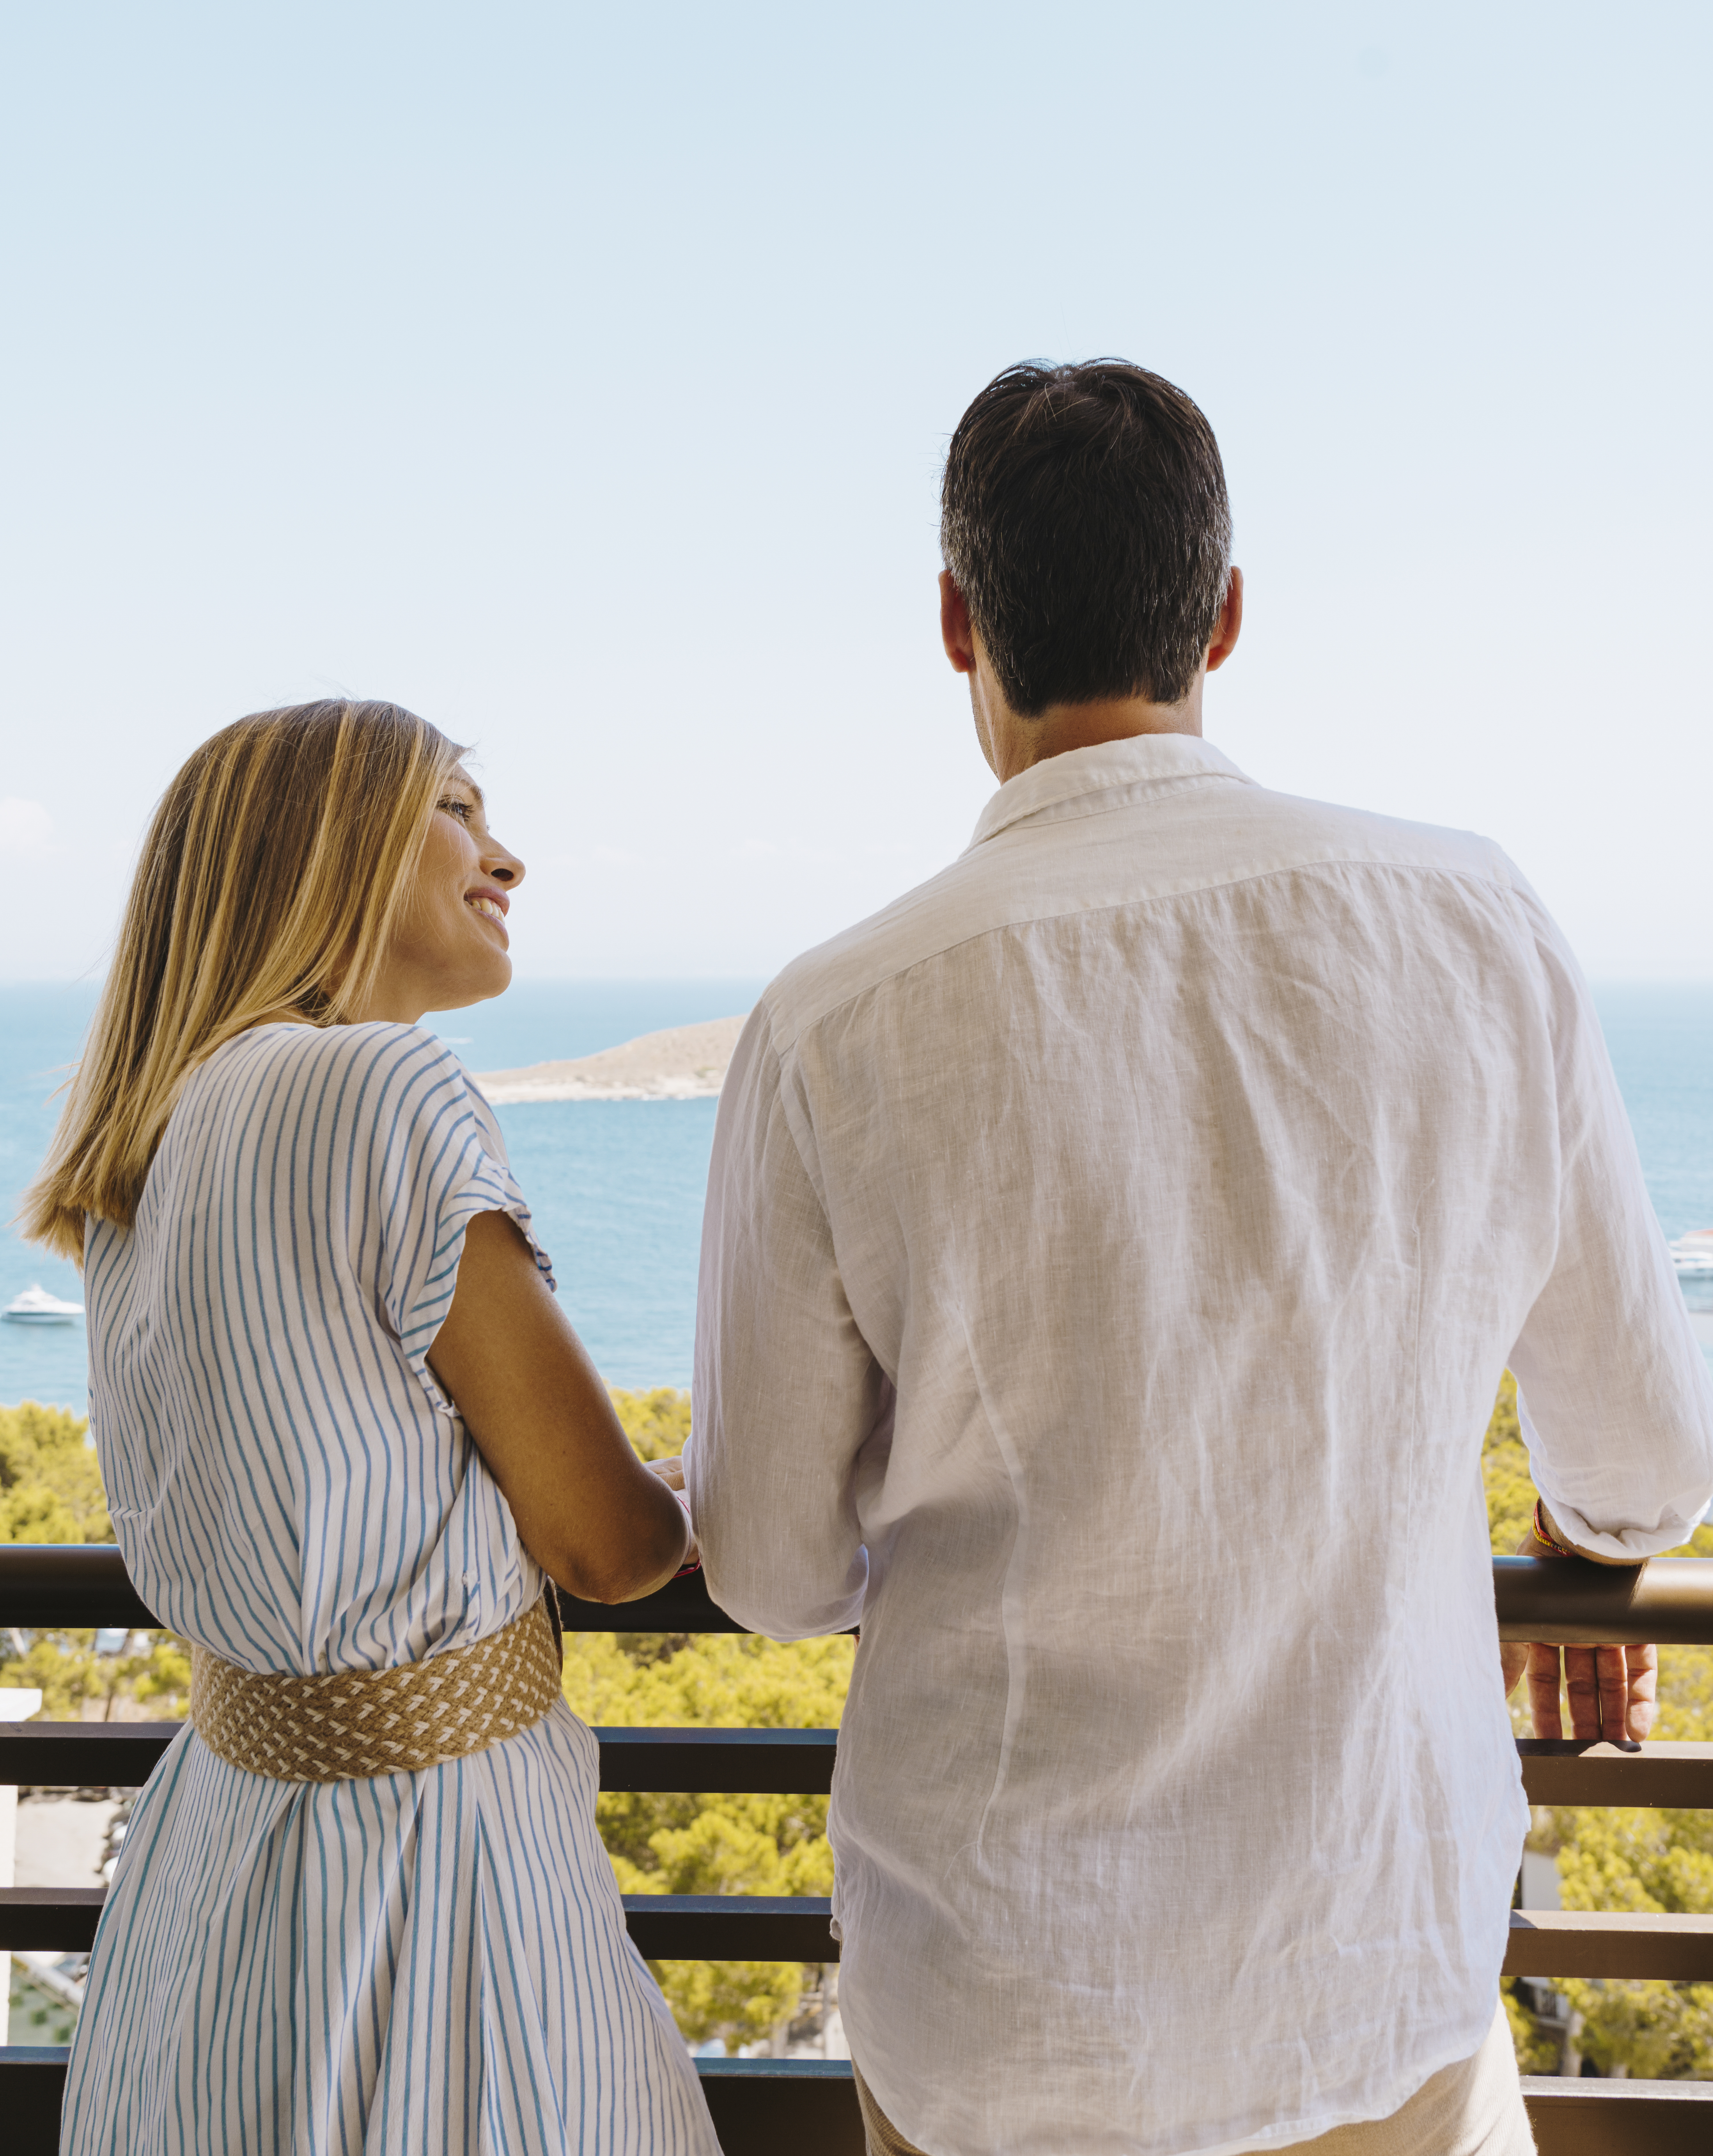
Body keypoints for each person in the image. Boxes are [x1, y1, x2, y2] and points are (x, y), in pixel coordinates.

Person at [685, 360, 1713, 2156]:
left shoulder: (833, 1018)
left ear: (956, 620)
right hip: (1365, 1978)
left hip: (996, 2016)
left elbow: (770, 1569)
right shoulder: (1473, 921)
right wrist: (1583, 1536)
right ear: (1224, 610)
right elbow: (1640, 1460)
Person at [23, 698, 719, 2156]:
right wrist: (756, 1468)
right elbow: (603, 1543)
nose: (505, 855)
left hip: (218, 1863)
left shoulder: (145, 1139)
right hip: (433, 1879)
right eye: (457, 807)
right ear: (327, 847)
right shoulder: (380, 1084)